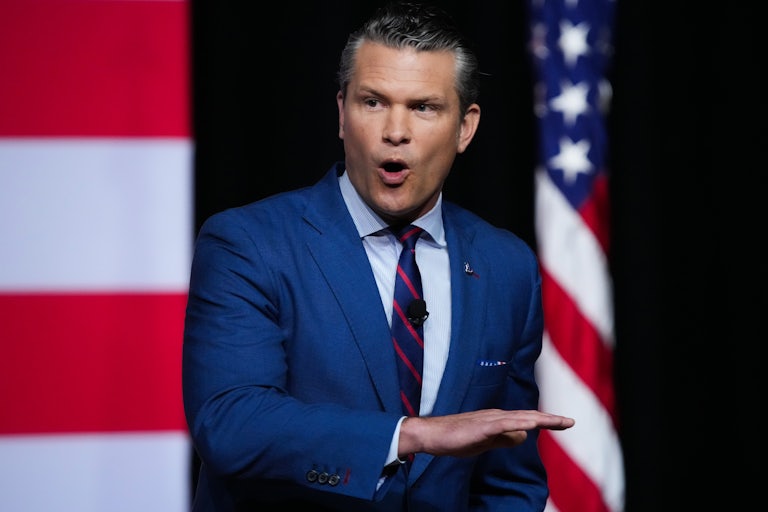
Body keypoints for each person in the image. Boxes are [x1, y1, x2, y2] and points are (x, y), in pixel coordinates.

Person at [182, 1, 575, 510]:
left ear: (465, 127)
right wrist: (411, 435)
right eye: (373, 102)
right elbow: (231, 424)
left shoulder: (507, 266)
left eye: (423, 107)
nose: (395, 131)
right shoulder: (249, 243)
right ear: (341, 113)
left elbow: (508, 479)